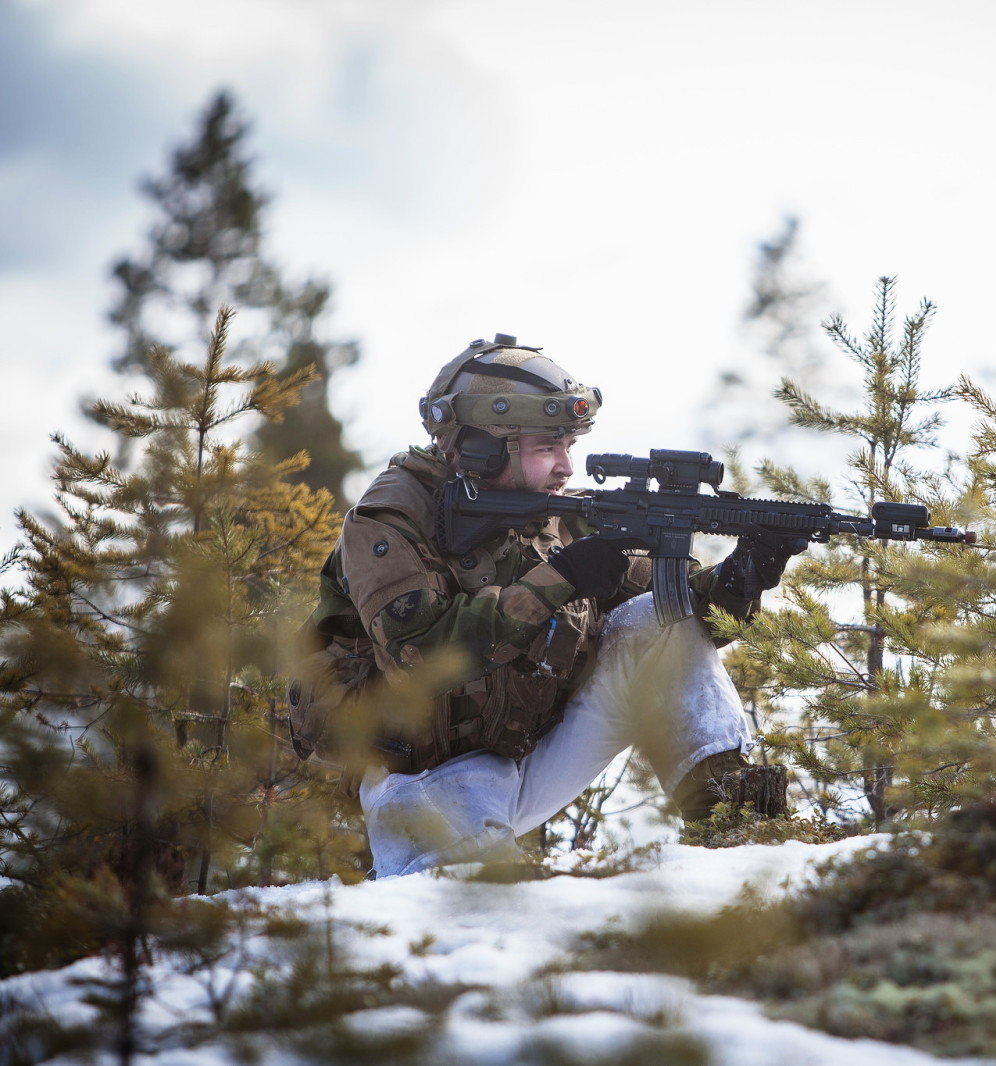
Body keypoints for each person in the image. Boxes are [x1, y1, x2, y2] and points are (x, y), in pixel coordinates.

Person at [287, 333, 799, 876]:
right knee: (471, 911)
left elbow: (681, 618)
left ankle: (732, 821)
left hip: (528, 750)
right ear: (483, 450)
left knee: (658, 623)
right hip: (422, 772)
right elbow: (417, 658)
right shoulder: (389, 519)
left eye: (568, 446)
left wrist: (743, 577)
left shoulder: (558, 513)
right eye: (546, 448)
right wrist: (562, 577)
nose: (566, 468)